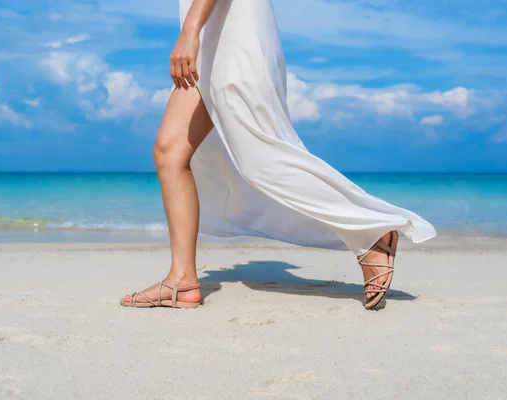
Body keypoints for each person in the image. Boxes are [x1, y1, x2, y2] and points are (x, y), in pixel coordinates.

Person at [120, 0, 437, 310]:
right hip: (215, 44)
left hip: (232, 44)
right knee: (169, 152)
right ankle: (182, 280)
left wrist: (189, 31)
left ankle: (373, 233)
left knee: (261, 160)